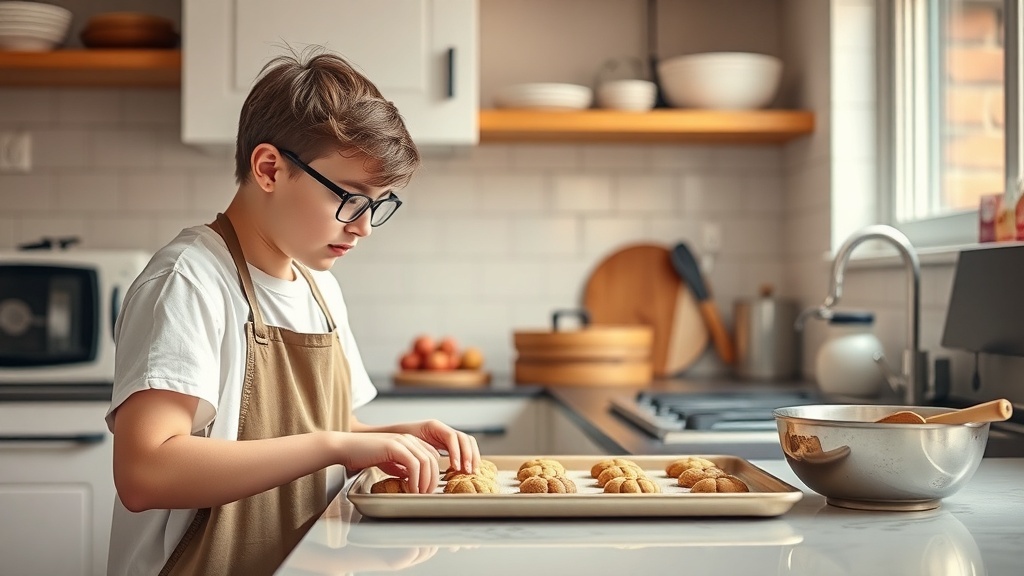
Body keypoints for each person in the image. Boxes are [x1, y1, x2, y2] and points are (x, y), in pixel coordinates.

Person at [104, 48, 481, 576]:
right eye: (350, 197)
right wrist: (338, 445)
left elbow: (327, 427)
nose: (364, 226)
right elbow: (146, 472)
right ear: (269, 169)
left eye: (379, 204)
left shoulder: (318, 287)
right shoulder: (188, 282)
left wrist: (394, 437)